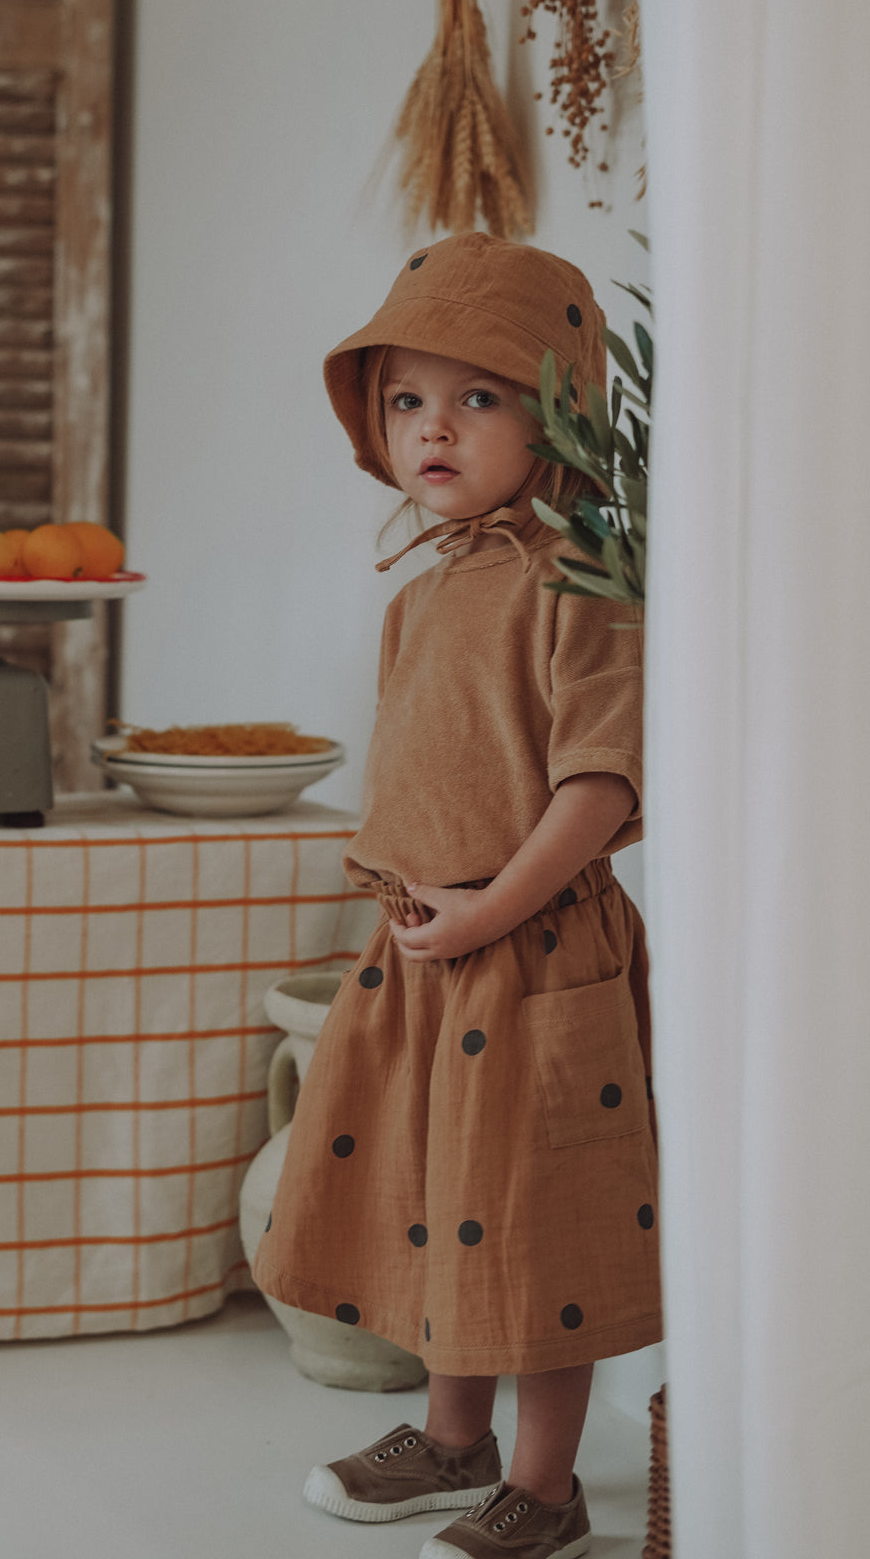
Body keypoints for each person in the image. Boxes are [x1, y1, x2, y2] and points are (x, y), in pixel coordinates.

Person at [252, 232, 661, 1559]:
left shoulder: (582, 583)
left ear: (558, 415)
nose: (435, 428)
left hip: (534, 951)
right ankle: (451, 1442)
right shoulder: (423, 597)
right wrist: (421, 915)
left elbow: (596, 787)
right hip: (428, 952)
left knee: (539, 1222)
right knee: (441, 1199)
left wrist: (486, 913)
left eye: (479, 397)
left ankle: (545, 1491)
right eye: (409, 400)